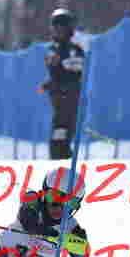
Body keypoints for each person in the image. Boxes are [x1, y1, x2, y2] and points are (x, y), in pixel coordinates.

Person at [39, 8, 85, 160]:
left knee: (60, 139)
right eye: (55, 27)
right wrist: (50, 84)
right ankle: (62, 165)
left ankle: (64, 167)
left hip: (69, 101)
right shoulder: (52, 49)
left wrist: (57, 83)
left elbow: (73, 75)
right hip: (58, 102)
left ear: (69, 29)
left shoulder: (74, 50)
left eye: (62, 28)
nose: (58, 31)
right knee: (58, 140)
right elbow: (57, 73)